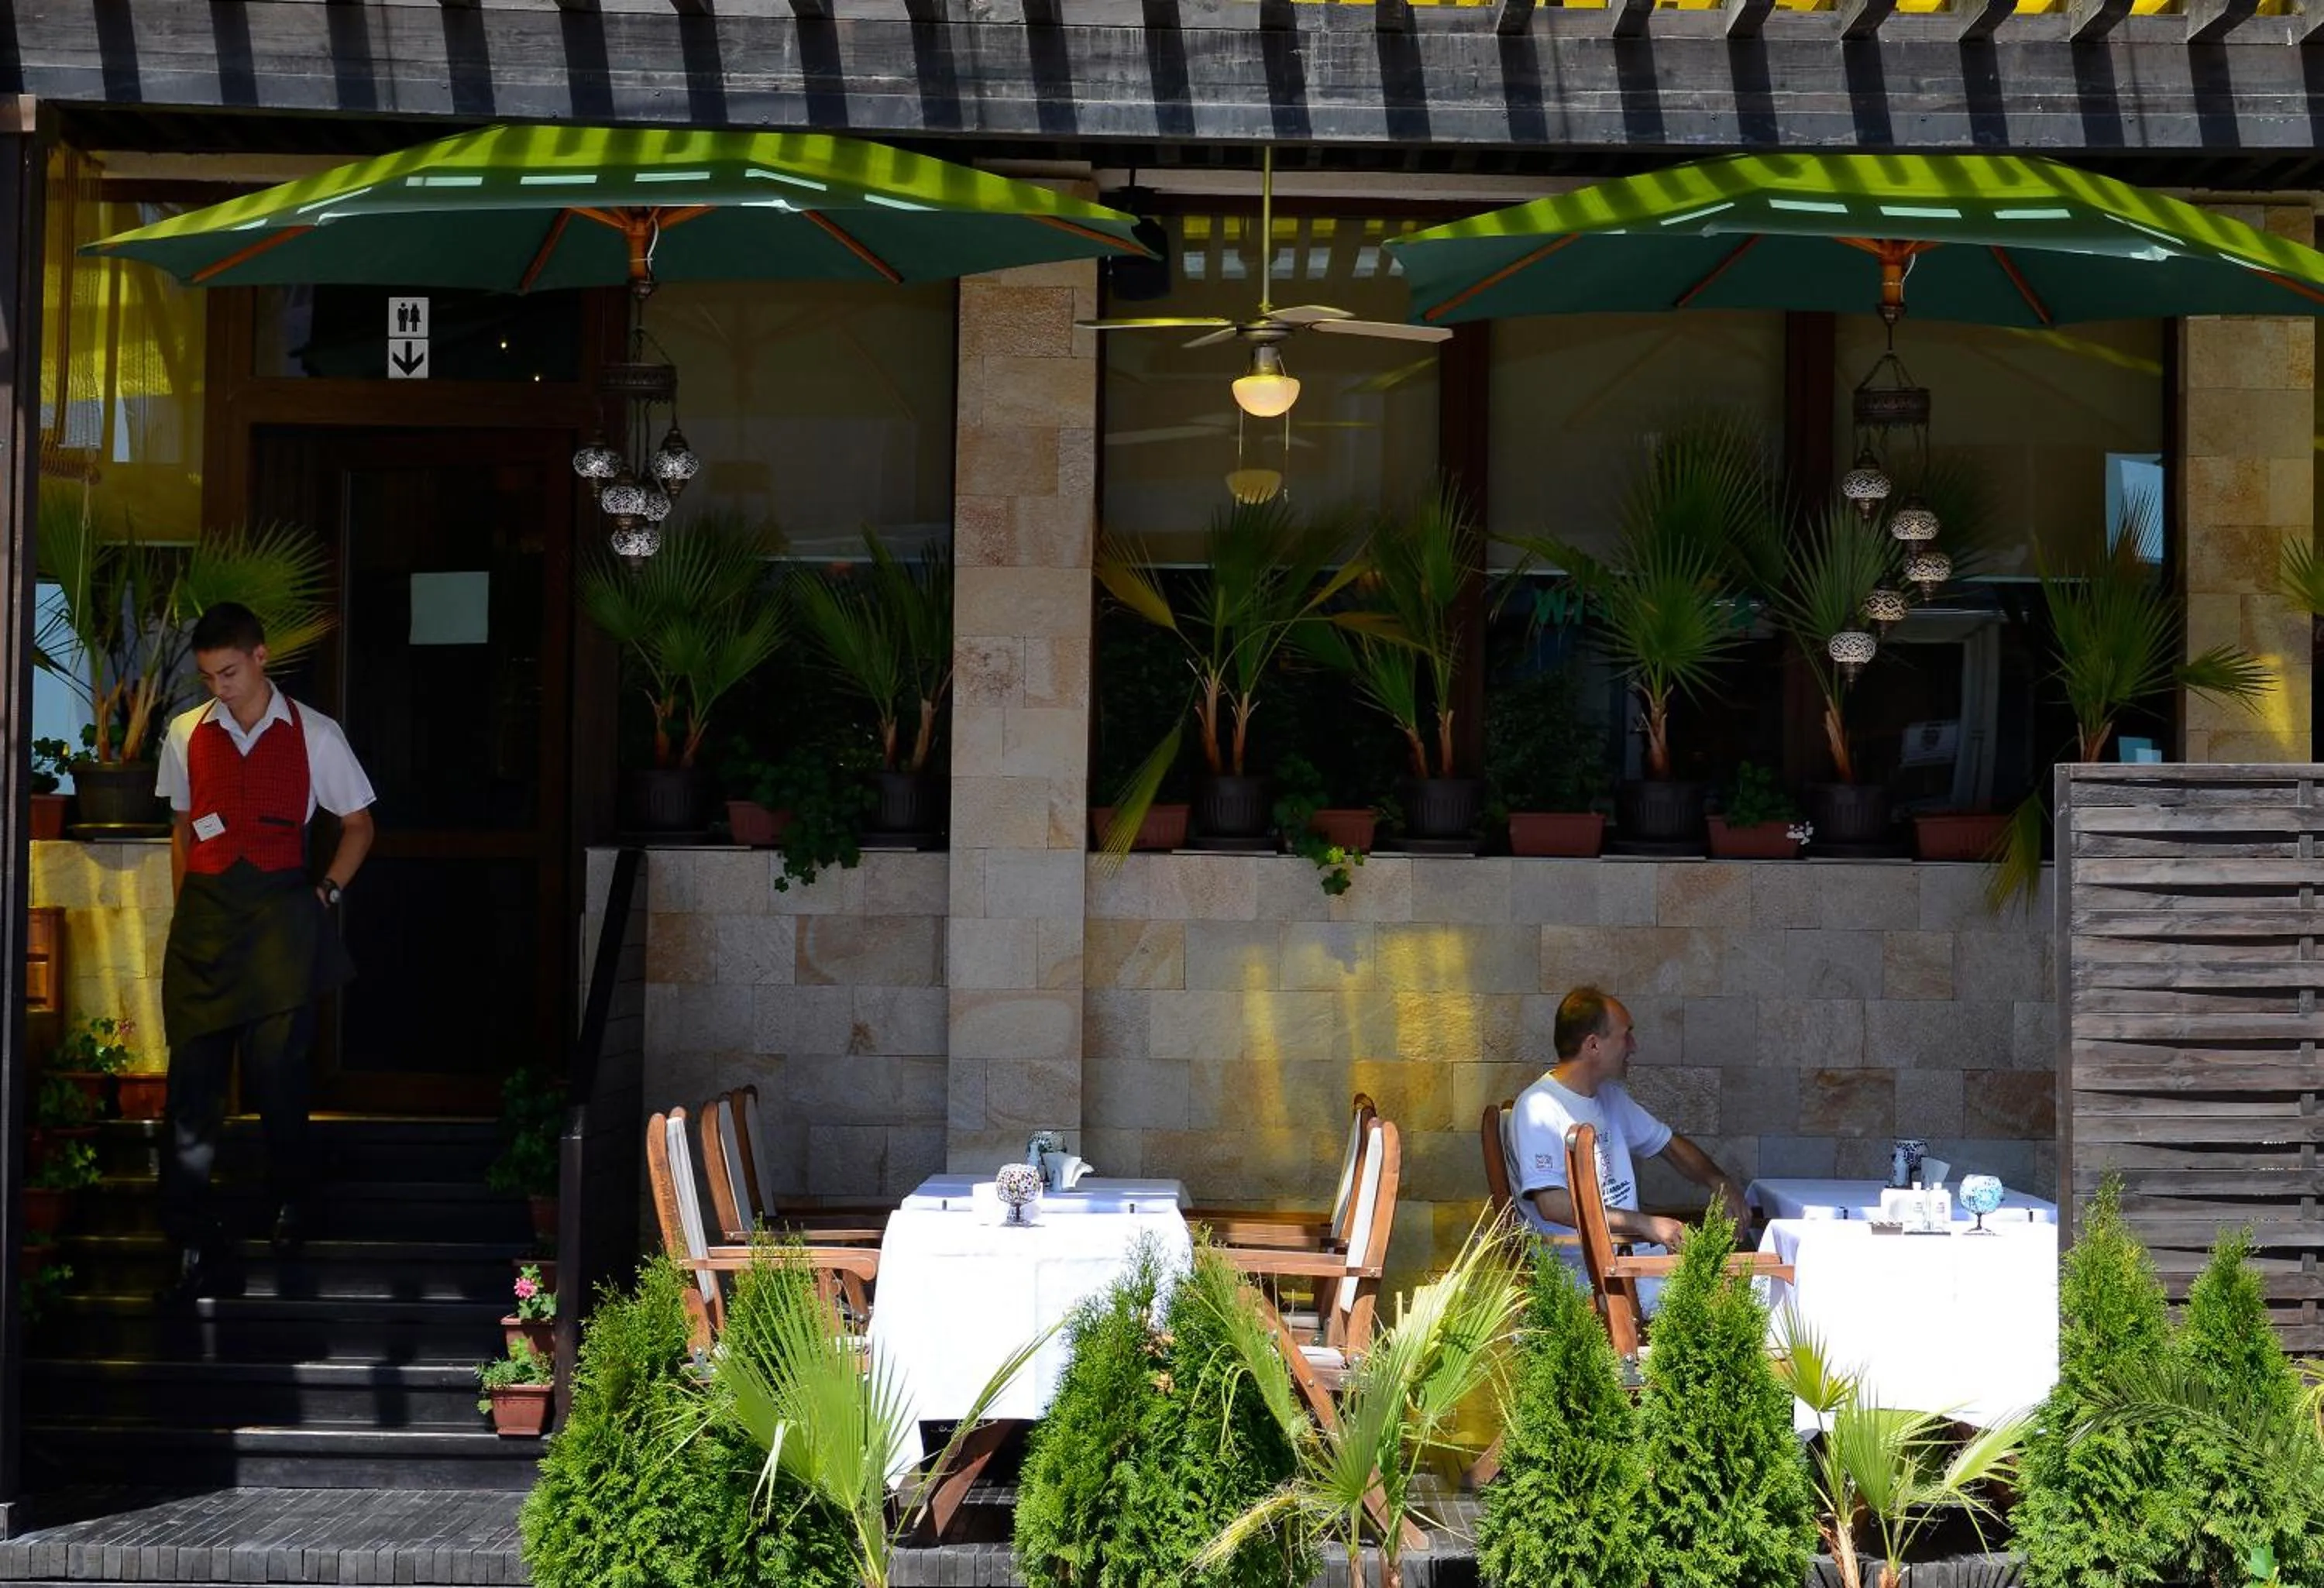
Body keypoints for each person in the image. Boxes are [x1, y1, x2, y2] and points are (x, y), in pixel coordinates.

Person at [153, 602, 376, 1304]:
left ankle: (291, 1202)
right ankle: (187, 1232)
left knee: (280, 1071)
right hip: (205, 924)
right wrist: (186, 906)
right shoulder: (185, 733)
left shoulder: (316, 733)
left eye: (228, 672)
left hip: (283, 917)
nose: (219, 687)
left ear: (260, 657)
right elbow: (184, 831)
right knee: (192, 1085)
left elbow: (359, 826)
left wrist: (327, 893)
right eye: (208, 676)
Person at [1510, 986, 1752, 1258]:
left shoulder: (1610, 1097)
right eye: (1626, 1035)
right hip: (1583, 1272)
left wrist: (1718, 1181)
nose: (1634, 1047)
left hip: (1629, 1257)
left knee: (1740, 1272)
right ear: (1593, 1045)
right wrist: (1644, 1223)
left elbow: (1668, 1145)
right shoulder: (1538, 1106)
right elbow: (1552, 1205)